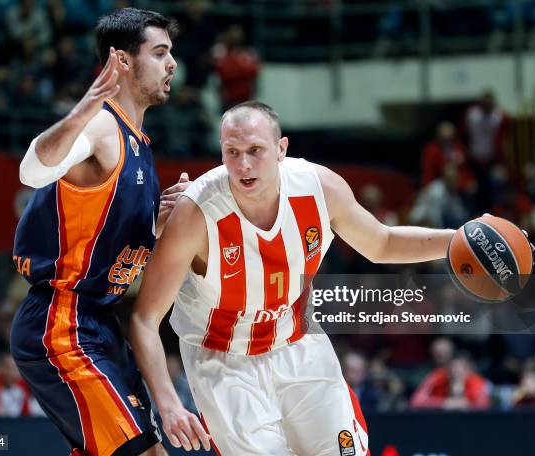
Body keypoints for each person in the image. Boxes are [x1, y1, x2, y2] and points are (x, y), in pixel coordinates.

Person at [130, 101, 460, 455]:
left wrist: (458, 241)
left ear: (281, 149)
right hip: (224, 361)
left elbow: (381, 243)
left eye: (255, 150)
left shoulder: (319, 188)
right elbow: (144, 318)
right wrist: (168, 404)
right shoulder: (196, 212)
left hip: (298, 343)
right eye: (232, 152)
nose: (243, 164)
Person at [11, 8, 190, 456]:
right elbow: (32, 171)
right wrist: (84, 107)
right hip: (63, 322)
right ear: (123, 61)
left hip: (99, 322)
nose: (172, 65)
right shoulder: (100, 124)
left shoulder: (139, 144)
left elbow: (110, 247)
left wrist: (159, 220)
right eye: (161, 53)